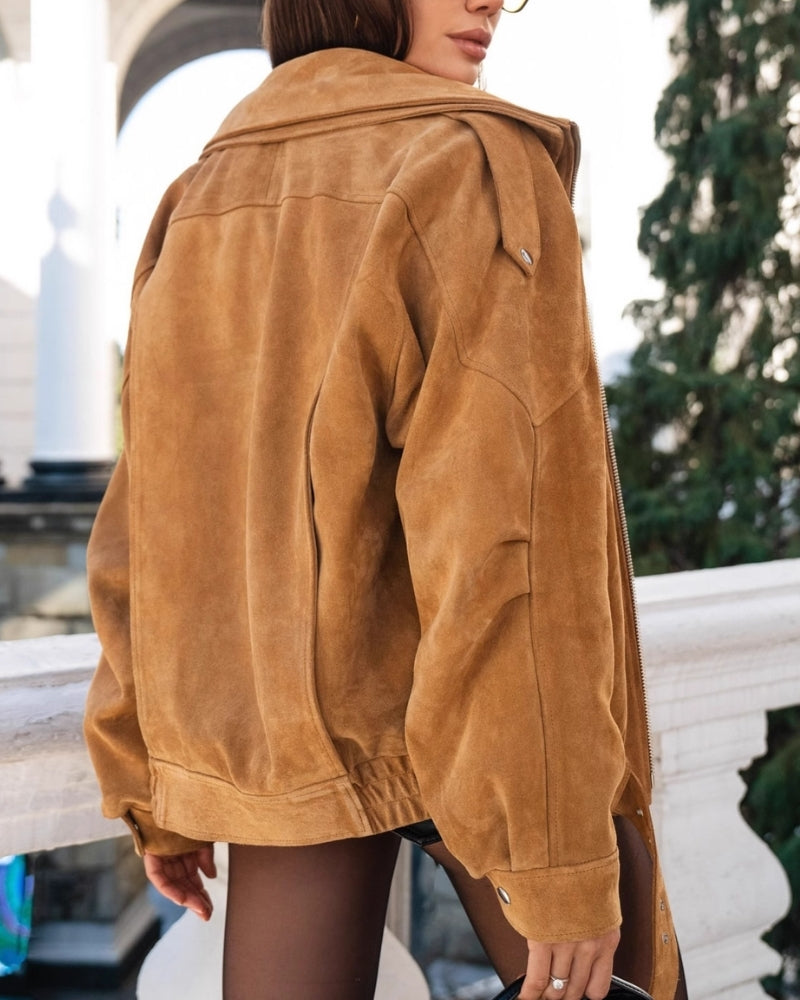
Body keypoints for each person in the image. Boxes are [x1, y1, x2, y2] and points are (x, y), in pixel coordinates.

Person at [84, 2, 687, 999]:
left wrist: (154, 785)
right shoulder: (469, 163)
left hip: (297, 741)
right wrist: (559, 857)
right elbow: (508, 545)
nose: (490, 0)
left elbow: (144, 530)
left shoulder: (199, 193)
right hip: (489, 736)